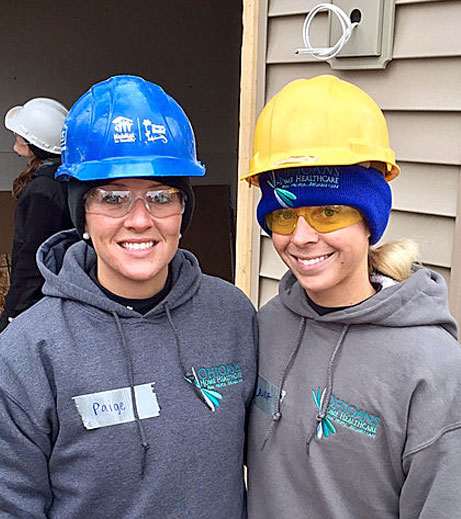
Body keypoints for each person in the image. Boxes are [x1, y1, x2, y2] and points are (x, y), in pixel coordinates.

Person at [0, 75, 257, 518]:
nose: (140, 220)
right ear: (82, 212)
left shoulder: (233, 316)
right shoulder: (27, 352)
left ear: (183, 210)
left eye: (160, 196)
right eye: (113, 198)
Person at [243, 75, 461, 518]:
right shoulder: (266, 327)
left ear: (369, 219)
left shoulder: (432, 367)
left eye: (328, 212)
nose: (302, 238)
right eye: (284, 215)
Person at [0, 97, 72, 331]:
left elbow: (33, 258)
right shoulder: (65, 181)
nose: (16, 137)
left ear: (34, 143)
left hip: (40, 304)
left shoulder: (43, 190)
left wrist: (12, 313)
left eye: (21, 134)